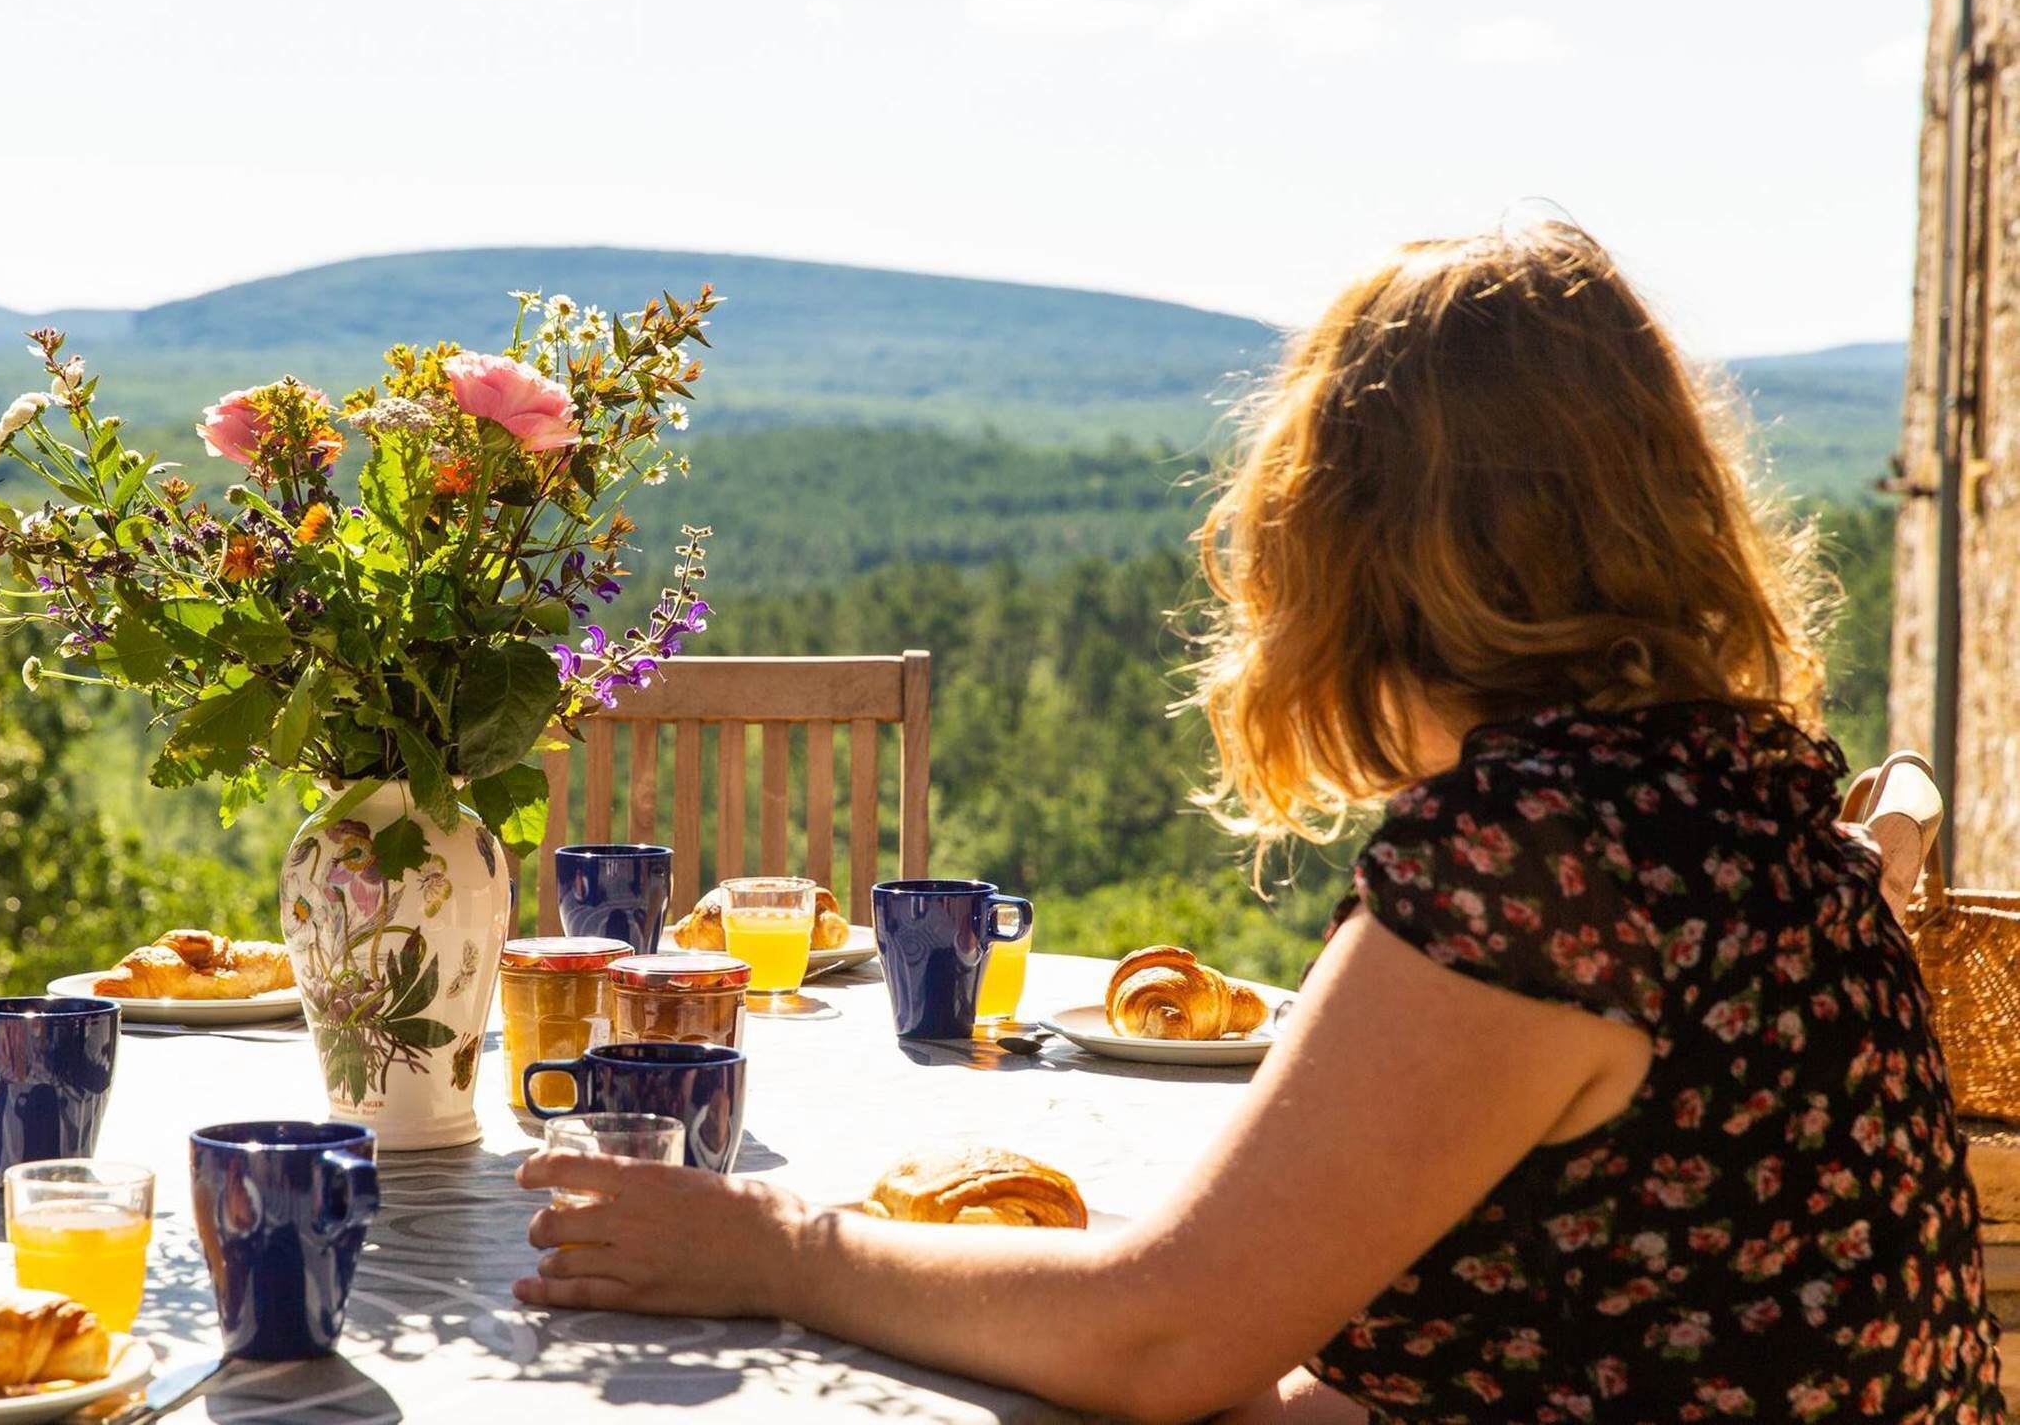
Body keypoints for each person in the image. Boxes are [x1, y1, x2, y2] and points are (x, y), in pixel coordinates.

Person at [511, 222, 2005, 1422]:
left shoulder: (1542, 856)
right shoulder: (1740, 787)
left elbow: (1167, 1338)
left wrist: (775, 1247)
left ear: (1352, 545)